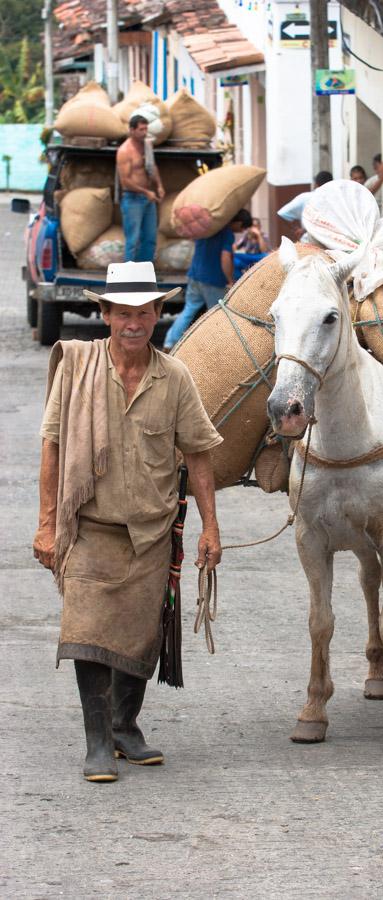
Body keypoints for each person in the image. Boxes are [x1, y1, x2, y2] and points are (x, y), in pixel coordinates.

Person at [33, 261, 223, 783]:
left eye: (143, 312)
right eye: (123, 313)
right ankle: (97, 742)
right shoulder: (77, 368)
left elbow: (200, 453)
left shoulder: (175, 377)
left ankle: (123, 726)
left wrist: (210, 527)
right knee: (88, 633)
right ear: (106, 314)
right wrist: (47, 523)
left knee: (140, 638)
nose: (133, 323)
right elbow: (51, 444)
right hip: (91, 528)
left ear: (159, 314)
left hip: (151, 533)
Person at [163, 209, 252, 351]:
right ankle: (216, 347)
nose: (241, 231)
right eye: (243, 227)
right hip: (213, 279)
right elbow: (225, 258)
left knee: (188, 310)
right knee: (216, 314)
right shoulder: (226, 234)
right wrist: (230, 280)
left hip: (194, 276)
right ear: (239, 222)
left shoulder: (207, 228)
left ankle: (169, 343)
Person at [116, 115, 165, 262]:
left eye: (146, 129)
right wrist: (146, 192)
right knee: (133, 240)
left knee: (150, 238)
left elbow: (152, 166)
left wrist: (159, 185)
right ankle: (129, 276)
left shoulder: (147, 146)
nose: (144, 132)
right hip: (132, 199)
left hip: (148, 198)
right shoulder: (125, 151)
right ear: (132, 130)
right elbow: (125, 181)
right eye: (141, 129)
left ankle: (146, 273)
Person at [277, 171, 333, 240]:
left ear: (316, 184)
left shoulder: (305, 198)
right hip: (332, 241)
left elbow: (282, 213)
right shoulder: (336, 199)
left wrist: (296, 229)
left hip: (309, 242)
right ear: (331, 183)